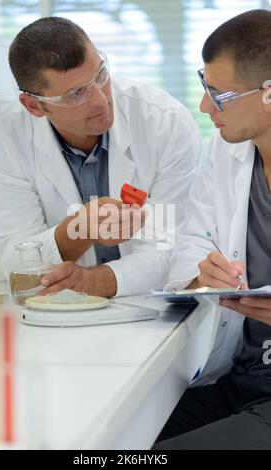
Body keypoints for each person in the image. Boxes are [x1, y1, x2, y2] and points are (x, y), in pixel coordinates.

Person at [0, 16, 201, 298]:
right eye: (76, 94)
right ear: (34, 106)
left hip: (153, 309)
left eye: (100, 74)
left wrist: (91, 282)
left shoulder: (164, 122)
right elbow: (17, 265)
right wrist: (79, 229)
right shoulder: (9, 141)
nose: (100, 100)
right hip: (61, 316)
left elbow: (171, 249)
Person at [154, 9, 271, 450]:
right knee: (113, 440)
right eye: (205, 86)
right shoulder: (226, 153)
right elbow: (191, 243)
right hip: (238, 377)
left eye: (218, 95)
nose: (204, 107)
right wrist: (202, 275)